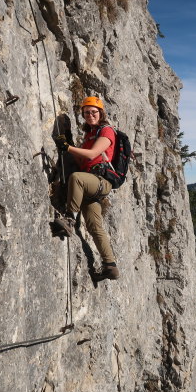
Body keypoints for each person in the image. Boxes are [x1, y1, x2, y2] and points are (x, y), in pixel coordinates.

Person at [53, 96, 119, 281]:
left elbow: (91, 155)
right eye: (86, 112)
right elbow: (82, 160)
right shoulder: (91, 135)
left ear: (101, 113)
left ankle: (69, 220)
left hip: (99, 182)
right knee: (94, 225)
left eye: (94, 112)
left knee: (77, 178)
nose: (90, 115)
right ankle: (110, 266)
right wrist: (66, 145)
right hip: (92, 182)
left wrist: (68, 147)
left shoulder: (107, 132)